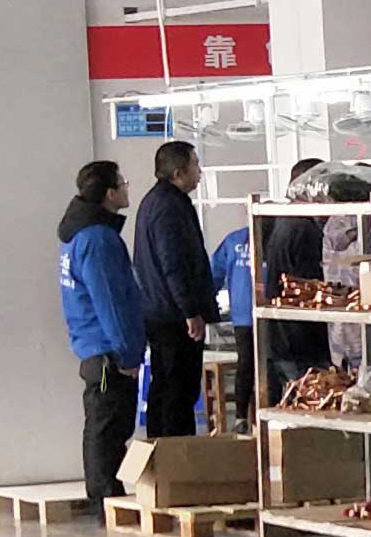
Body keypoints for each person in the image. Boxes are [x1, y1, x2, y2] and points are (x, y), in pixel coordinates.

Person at [57, 160, 147, 508]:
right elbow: (110, 301)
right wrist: (127, 353)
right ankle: (104, 496)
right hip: (109, 353)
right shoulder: (98, 240)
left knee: (104, 424)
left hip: (95, 347)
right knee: (107, 426)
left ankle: (104, 492)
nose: (126, 188)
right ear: (110, 193)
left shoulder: (79, 235)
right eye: (122, 183)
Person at [130, 139, 215, 439]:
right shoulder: (169, 207)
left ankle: (165, 453)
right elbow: (174, 264)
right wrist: (190, 310)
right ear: (179, 172)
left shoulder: (155, 202)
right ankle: (175, 455)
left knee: (168, 388)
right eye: (195, 165)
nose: (199, 172)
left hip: (160, 310)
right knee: (177, 391)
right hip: (172, 317)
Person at [257, 159, 334, 402]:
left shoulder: (284, 222)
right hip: (300, 338)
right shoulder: (302, 228)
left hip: (285, 336)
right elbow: (312, 285)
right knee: (310, 402)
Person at [209, 221, 256, 432]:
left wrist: (205, 303)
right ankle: (253, 415)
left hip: (242, 314)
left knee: (246, 364)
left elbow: (214, 274)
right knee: (268, 365)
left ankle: (240, 417)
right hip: (263, 313)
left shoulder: (234, 240)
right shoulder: (271, 238)